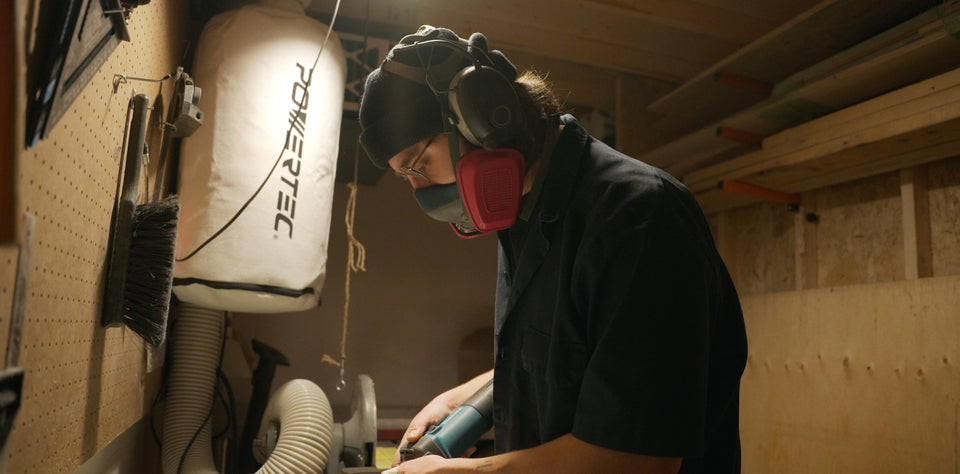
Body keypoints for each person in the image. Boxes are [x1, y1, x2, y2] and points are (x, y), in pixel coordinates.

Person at [358, 25, 748, 474]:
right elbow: (572, 354)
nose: (420, 192)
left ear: (482, 116)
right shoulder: (523, 211)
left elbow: (638, 458)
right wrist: (469, 397)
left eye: (419, 165)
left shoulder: (639, 218)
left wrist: (467, 473)